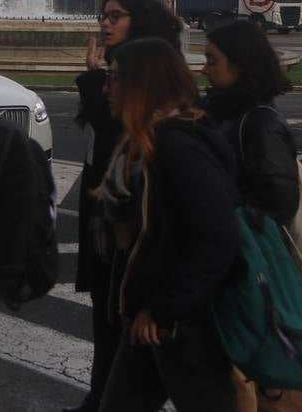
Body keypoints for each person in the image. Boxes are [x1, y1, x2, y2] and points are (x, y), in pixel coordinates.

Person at [201, 20, 302, 412]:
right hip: (232, 260)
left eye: (212, 60)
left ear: (239, 65)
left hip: (252, 264)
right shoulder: (220, 112)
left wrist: (227, 219)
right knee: (248, 367)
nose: (203, 68)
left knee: (244, 370)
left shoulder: (260, 122)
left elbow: (277, 200)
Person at [96, 37, 240, 412]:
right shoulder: (142, 145)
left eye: (114, 78)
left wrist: (163, 308)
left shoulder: (176, 145)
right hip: (152, 319)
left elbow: (217, 237)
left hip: (182, 324)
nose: (106, 89)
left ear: (142, 84)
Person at [68, 0, 183, 412]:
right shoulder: (117, 71)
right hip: (106, 219)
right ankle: (100, 397)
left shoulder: (146, 77)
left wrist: (94, 79)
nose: (105, 23)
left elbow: (119, 133)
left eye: (116, 16)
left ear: (141, 21)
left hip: (128, 229)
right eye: (104, 15)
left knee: (119, 320)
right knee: (107, 318)